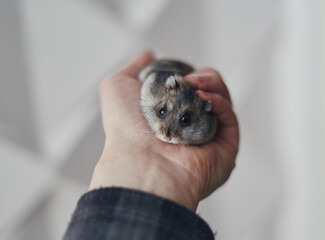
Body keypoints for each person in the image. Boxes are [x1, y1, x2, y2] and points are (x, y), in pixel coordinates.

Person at [63, 51, 239, 240]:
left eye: (185, 120)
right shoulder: (154, 85)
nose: (167, 133)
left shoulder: (204, 117)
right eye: (162, 112)